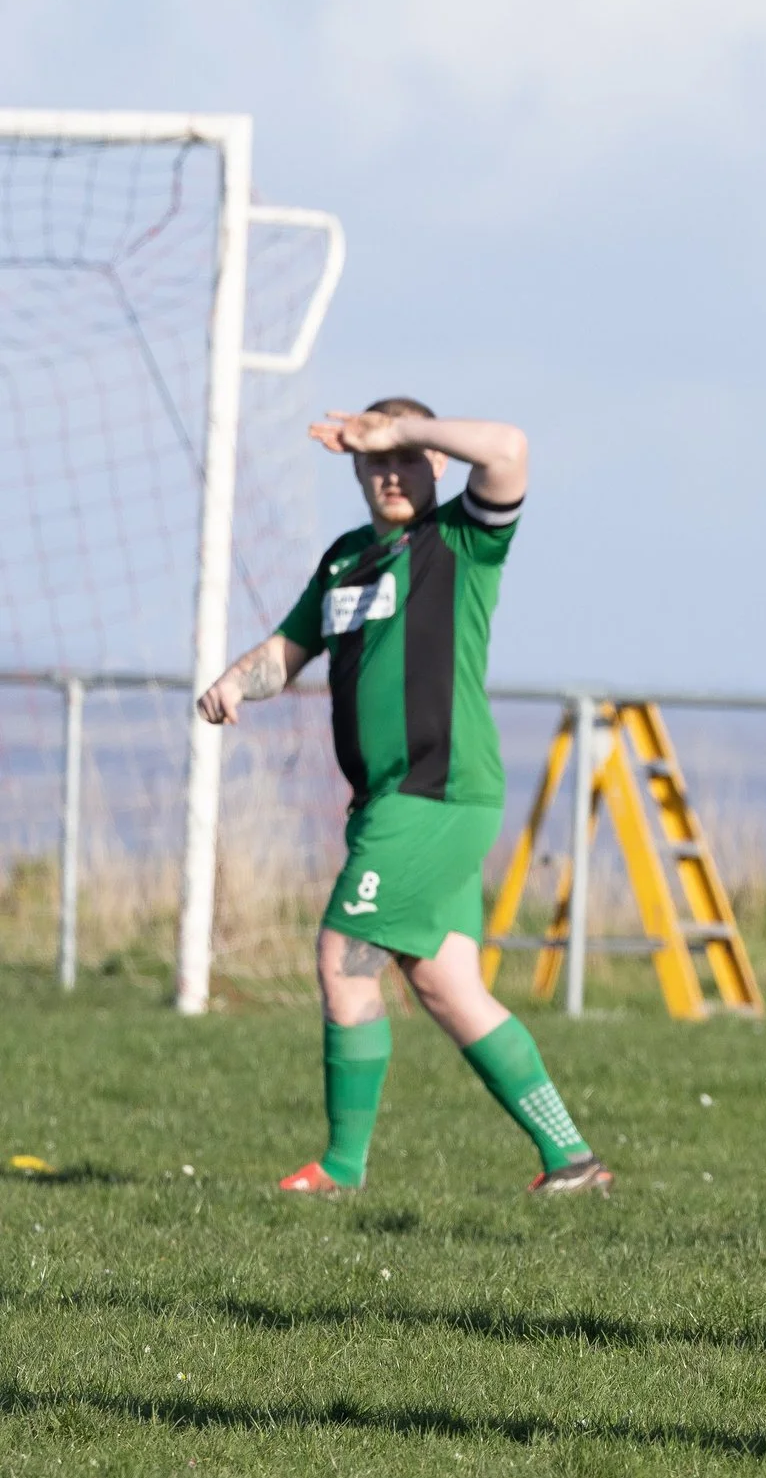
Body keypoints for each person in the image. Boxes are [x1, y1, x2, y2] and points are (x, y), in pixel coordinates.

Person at [196, 399, 610, 1197]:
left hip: (435, 792)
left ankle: (342, 1168)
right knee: (449, 988)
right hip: (390, 803)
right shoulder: (345, 559)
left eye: (405, 460)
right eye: (375, 462)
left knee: (343, 957)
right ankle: (573, 1160)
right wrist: (234, 681)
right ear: (354, 470)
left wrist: (403, 428)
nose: (391, 474)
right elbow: (289, 650)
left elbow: (512, 447)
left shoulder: (460, 538)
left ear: (434, 464)